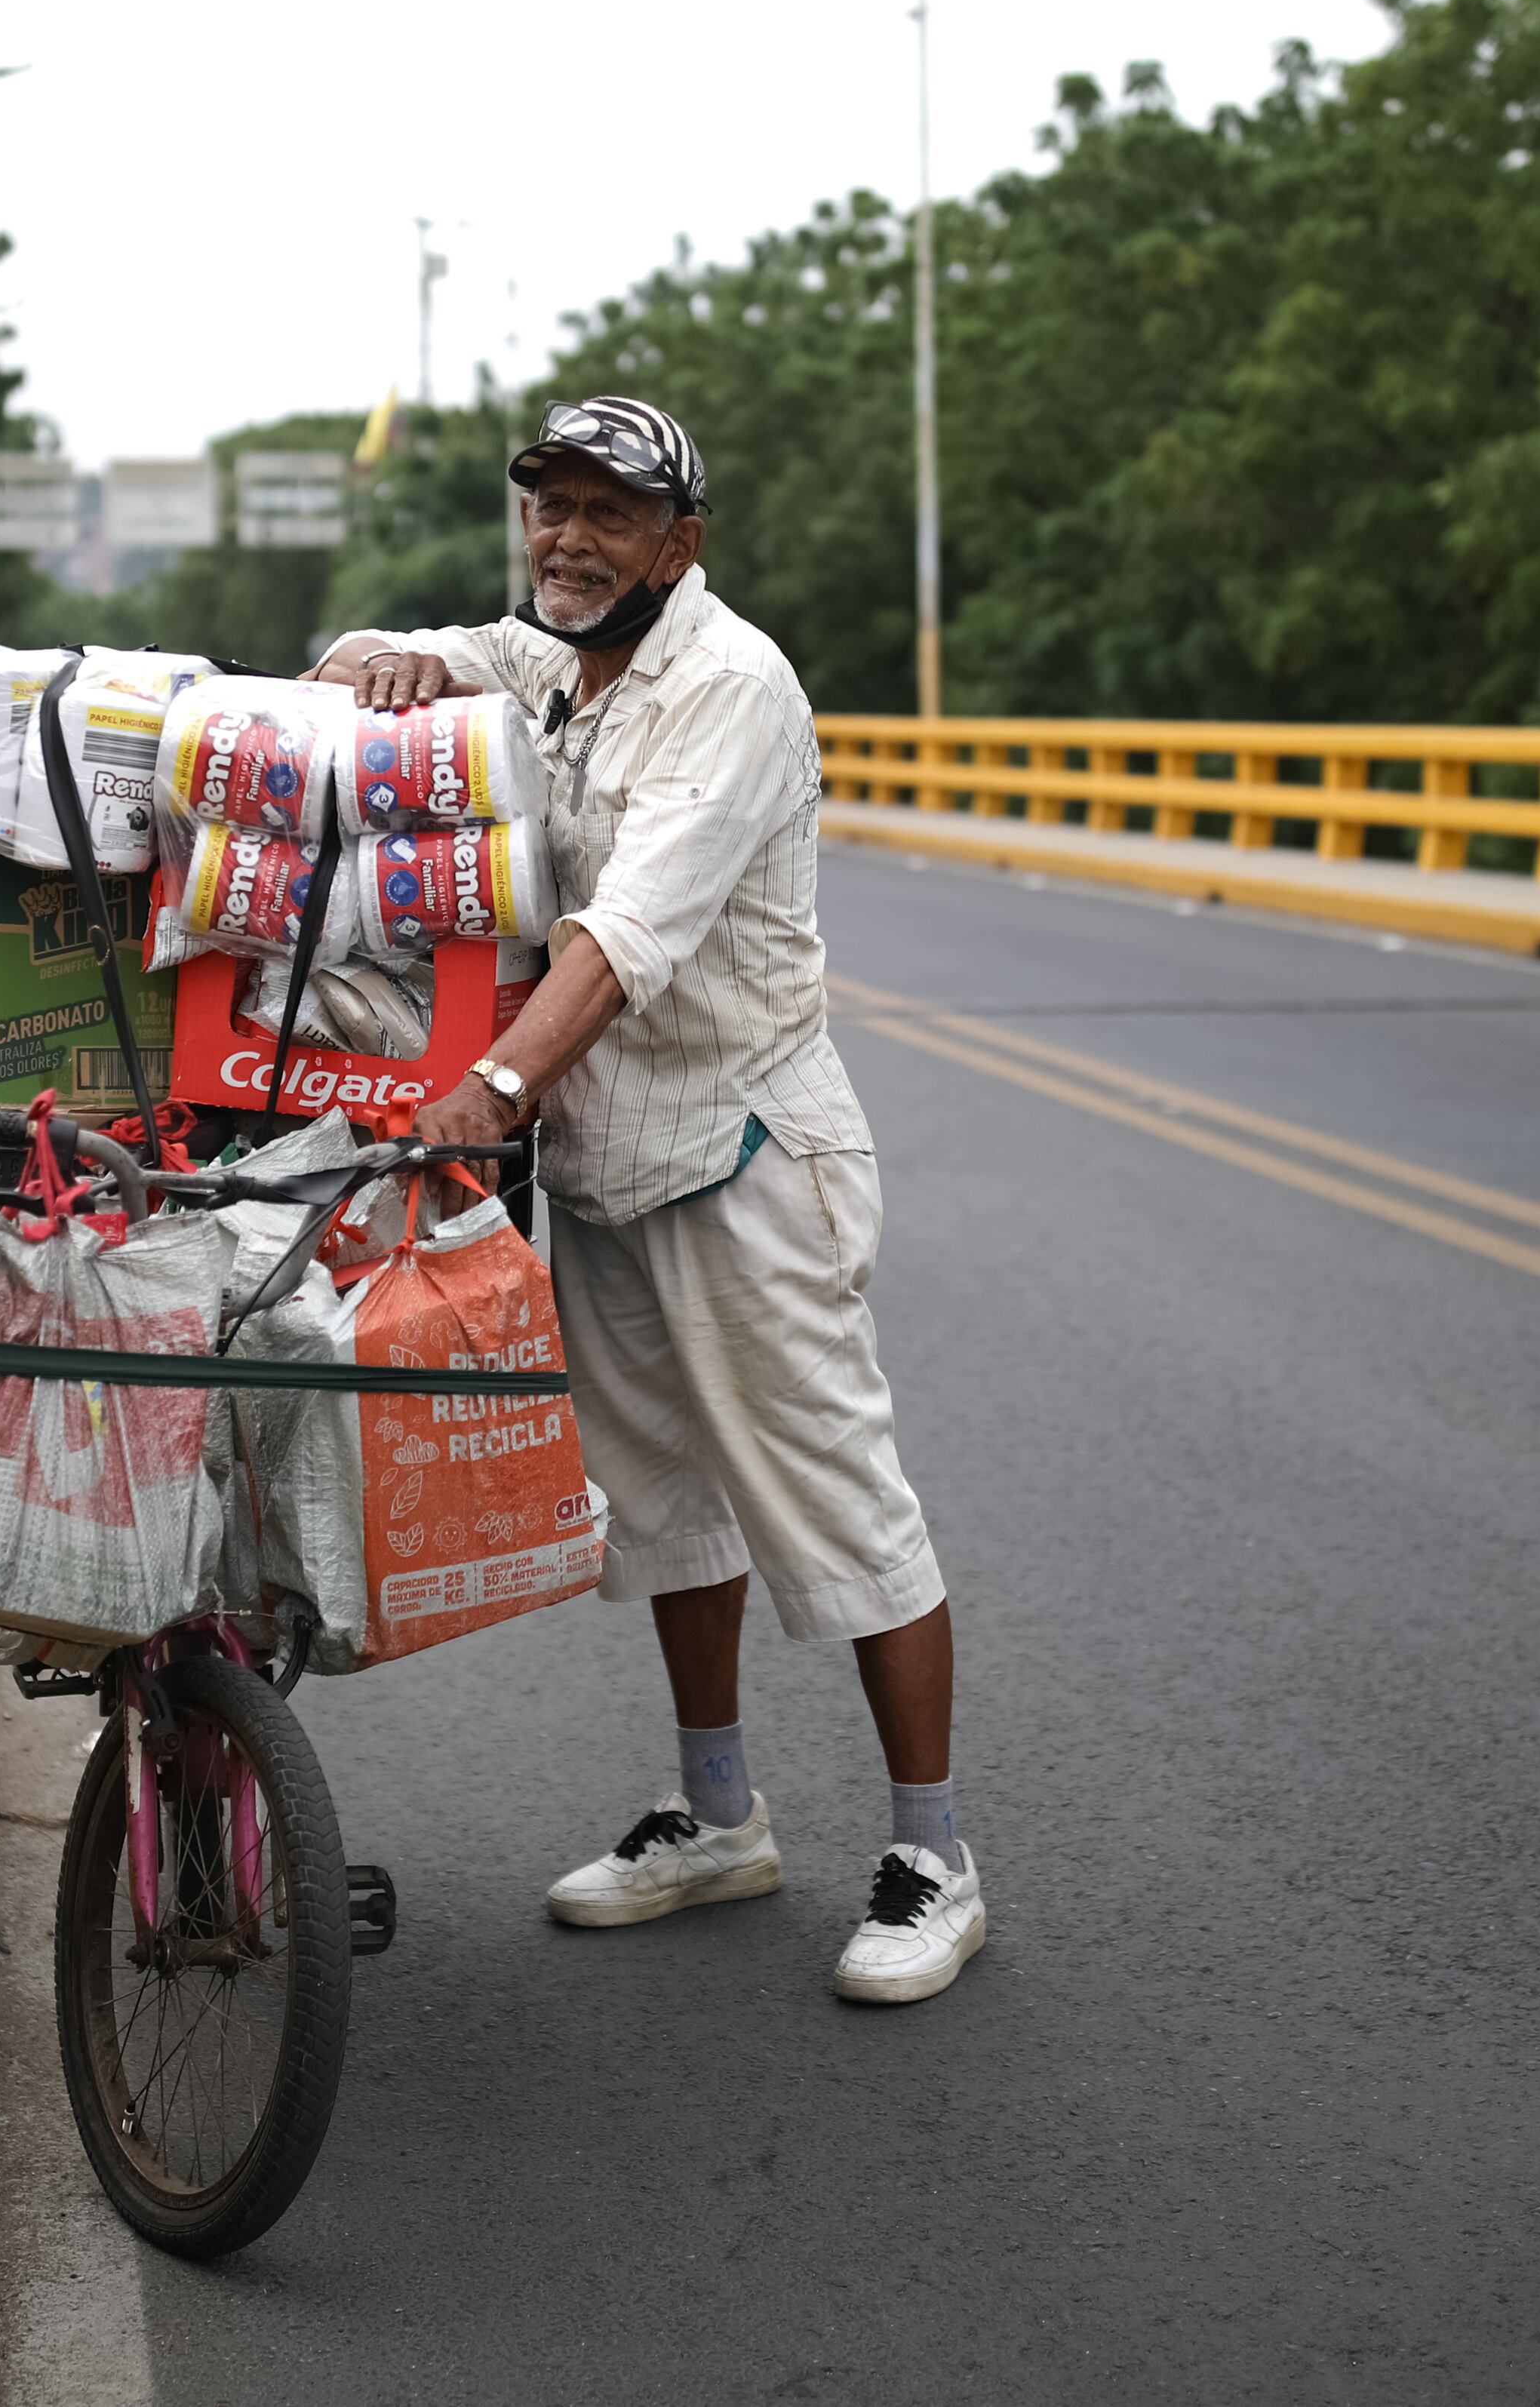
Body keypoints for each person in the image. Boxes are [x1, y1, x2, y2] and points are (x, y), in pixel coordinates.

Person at [310, 395, 979, 2005]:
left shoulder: (728, 685)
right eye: (547, 505)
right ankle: (720, 1811)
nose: (569, 537)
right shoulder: (554, 659)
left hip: (745, 1150)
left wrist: (493, 1086)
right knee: (663, 1500)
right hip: (611, 1158)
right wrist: (371, 649)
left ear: (679, 543)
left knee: (832, 1496)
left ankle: (932, 1852)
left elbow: (625, 934)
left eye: (610, 514)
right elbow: (397, 659)